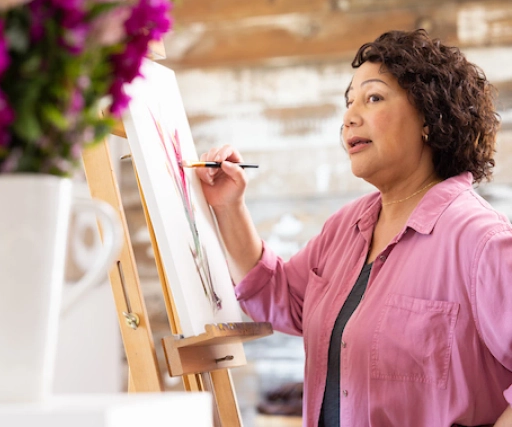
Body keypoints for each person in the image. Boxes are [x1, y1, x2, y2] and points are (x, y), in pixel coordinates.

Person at [195, 29, 512, 427]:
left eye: (373, 98)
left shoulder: (481, 240)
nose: (349, 116)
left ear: (431, 117)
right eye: (348, 102)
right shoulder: (346, 227)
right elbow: (281, 298)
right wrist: (230, 207)